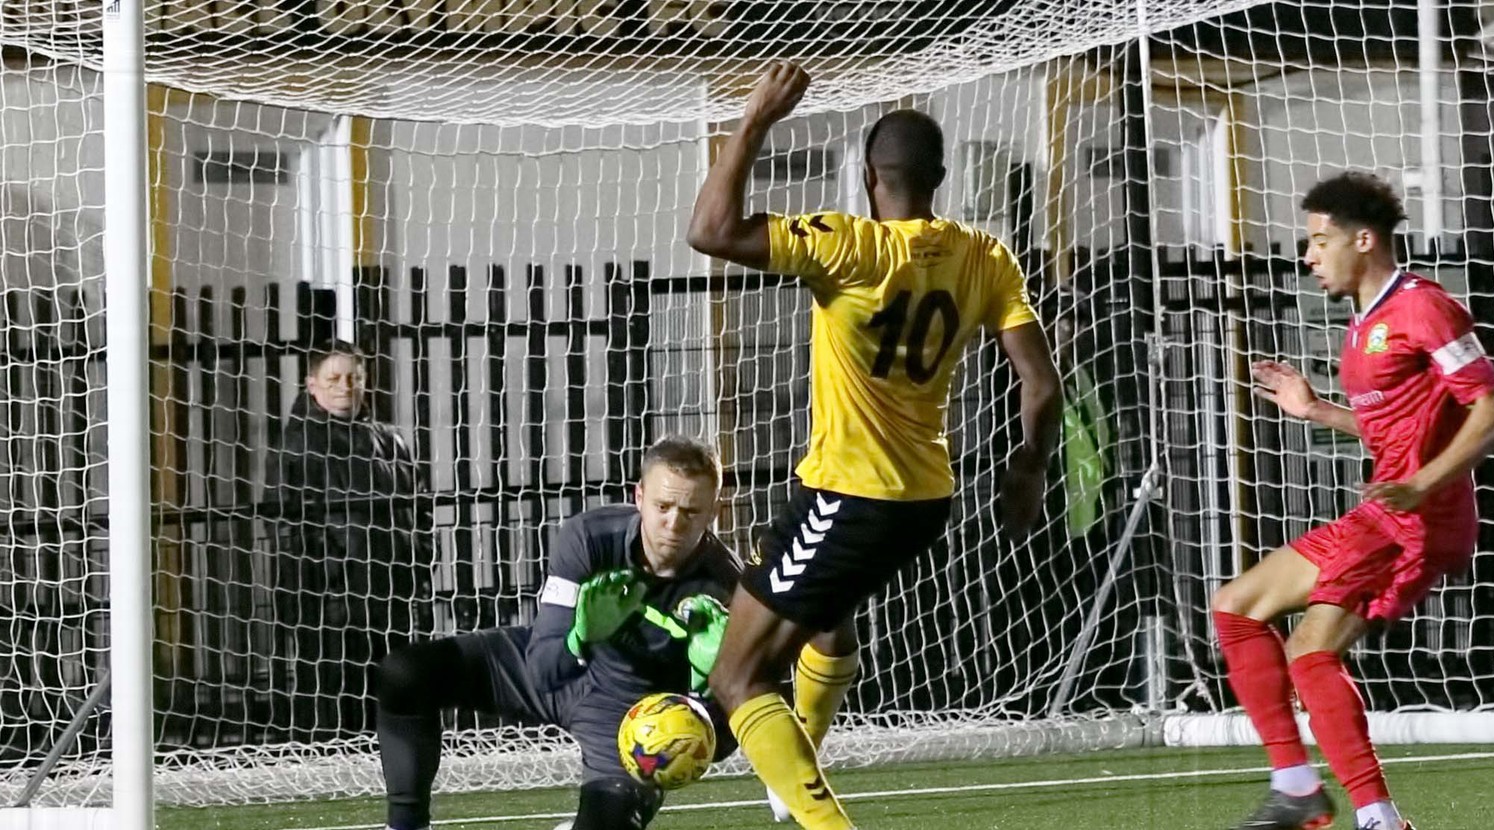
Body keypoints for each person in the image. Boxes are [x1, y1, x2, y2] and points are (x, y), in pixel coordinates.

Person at [685, 62, 1063, 830]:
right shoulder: (983, 256)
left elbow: (710, 231)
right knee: (825, 621)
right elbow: (1042, 385)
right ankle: (794, 778)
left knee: (735, 675)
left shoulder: (846, 246)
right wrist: (1026, 472)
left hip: (848, 494)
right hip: (924, 500)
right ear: (940, 179)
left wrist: (754, 119)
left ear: (868, 178)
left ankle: (824, 820)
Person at [1214, 171, 1494, 830]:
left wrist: (1420, 485)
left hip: (1416, 519)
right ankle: (1298, 786)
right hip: (1385, 511)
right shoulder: (1364, 324)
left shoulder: (1422, 307)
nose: (1308, 256)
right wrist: (1316, 408)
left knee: (1310, 652)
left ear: (1363, 239)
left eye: (1320, 241)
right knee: (1235, 607)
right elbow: (1399, 427)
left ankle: (1377, 818)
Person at [373, 435, 741, 830]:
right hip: (555, 668)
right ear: (638, 497)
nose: (673, 524)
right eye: (663, 506)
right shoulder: (589, 537)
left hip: (629, 718)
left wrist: (706, 687)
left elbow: (729, 737)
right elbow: (543, 668)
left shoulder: (731, 590)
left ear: (715, 511)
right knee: (404, 673)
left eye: (691, 511)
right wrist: (583, 635)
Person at [268, 339, 432, 742]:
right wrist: (326, 580)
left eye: (353, 378)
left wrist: (420, 557)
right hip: (330, 602)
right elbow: (287, 525)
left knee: (391, 698)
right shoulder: (297, 446)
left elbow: (419, 506)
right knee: (332, 702)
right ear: (312, 384)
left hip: (391, 591)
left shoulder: (391, 440)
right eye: (333, 378)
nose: (344, 387)